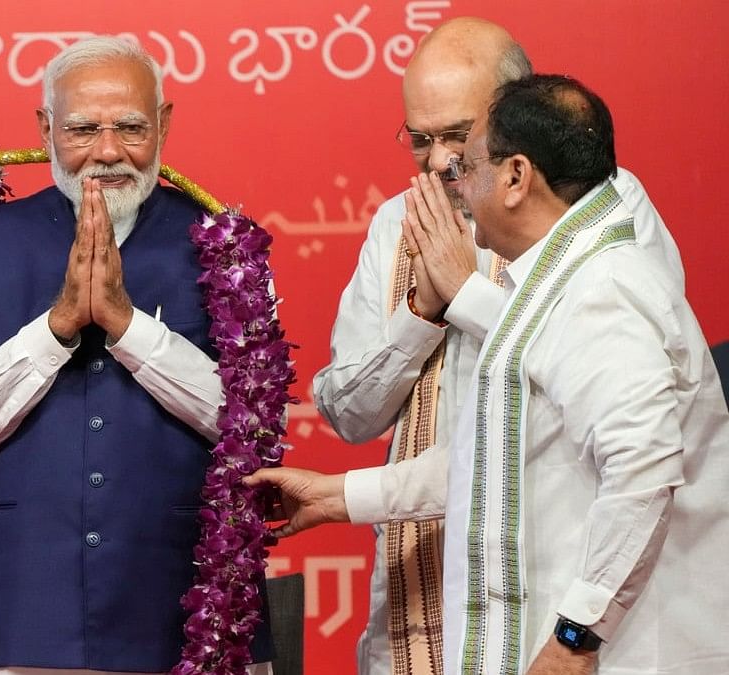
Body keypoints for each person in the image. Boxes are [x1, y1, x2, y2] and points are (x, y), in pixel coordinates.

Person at [251, 74, 729, 674]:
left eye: (467, 165)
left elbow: (642, 469)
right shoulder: (559, 278)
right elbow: (504, 458)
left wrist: (576, 639)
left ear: (516, 177)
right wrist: (336, 496)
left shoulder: (601, 287)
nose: (451, 181)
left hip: (624, 654)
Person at [0, 36, 274, 675]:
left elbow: (255, 425)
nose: (108, 152)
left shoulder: (227, 245)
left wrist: (127, 327)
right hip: (22, 607)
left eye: (131, 127)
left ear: (164, 124)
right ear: (45, 128)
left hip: (183, 597)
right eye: (83, 128)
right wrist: (55, 328)